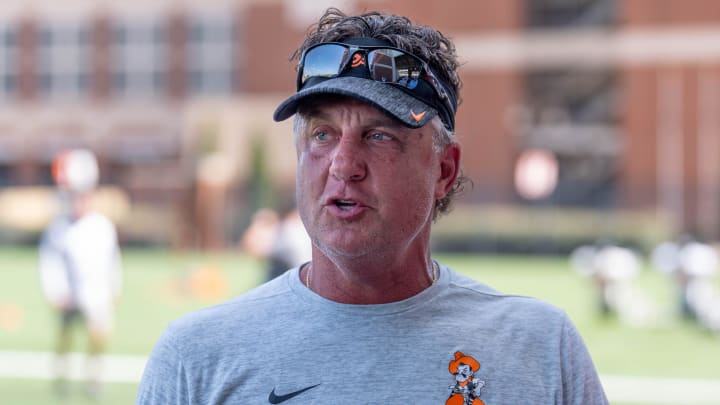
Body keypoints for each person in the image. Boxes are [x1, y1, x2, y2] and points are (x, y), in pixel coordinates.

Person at [137, 8, 608, 404]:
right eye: (322, 135)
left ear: (444, 170)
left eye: (379, 136)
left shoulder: (540, 347)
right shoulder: (196, 358)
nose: (343, 165)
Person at [39, 149, 123, 399]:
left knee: (98, 337)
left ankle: (93, 378)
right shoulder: (60, 227)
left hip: (95, 292)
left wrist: (114, 288)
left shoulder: (102, 226)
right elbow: (50, 263)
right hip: (69, 294)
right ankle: (61, 373)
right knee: (65, 336)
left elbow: (112, 261)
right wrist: (56, 290)